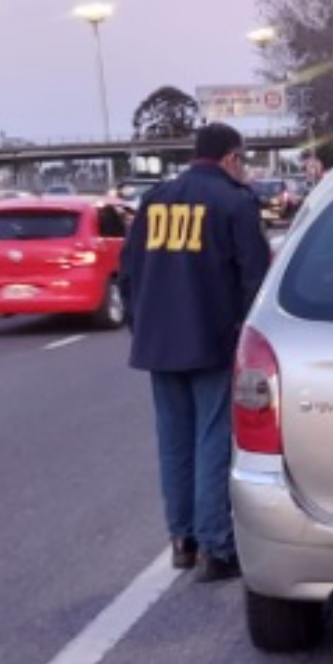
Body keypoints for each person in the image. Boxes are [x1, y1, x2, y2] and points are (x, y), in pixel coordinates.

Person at [119, 123, 272, 582]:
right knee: (211, 441)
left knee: (174, 443)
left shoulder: (155, 200)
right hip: (212, 339)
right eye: (241, 160)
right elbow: (256, 281)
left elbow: (129, 273)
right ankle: (216, 547)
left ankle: (181, 540)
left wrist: (140, 325)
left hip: (158, 342)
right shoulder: (235, 202)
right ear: (229, 158)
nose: (242, 169)